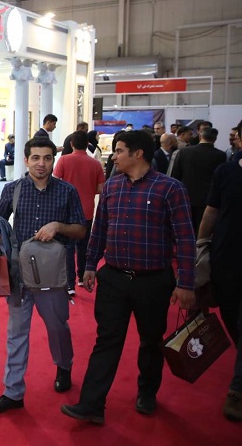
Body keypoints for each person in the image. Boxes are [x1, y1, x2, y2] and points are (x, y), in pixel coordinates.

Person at [61, 130, 195, 425]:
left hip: (153, 281)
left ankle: (147, 392)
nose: (114, 156)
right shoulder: (112, 186)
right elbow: (99, 228)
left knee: (150, 341)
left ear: (138, 154)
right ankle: (91, 404)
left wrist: (186, 282)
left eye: (119, 150)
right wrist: (89, 264)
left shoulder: (170, 189)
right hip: (114, 278)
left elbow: (186, 238)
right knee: (106, 340)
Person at [0, 137, 86, 415]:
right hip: (19, 275)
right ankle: (13, 392)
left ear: (54, 160)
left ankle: (64, 365)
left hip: (52, 276)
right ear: (26, 160)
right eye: (36, 158)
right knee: (16, 334)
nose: (41, 164)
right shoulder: (13, 189)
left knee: (57, 328)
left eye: (47, 158)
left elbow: (80, 230)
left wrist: (58, 227)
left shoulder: (67, 191)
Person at [198, 119, 242, 421]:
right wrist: (200, 245)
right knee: (229, 315)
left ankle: (237, 390)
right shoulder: (225, 171)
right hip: (226, 256)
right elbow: (211, 211)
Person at [54, 131, 104, 295]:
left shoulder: (64, 160)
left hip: (67, 210)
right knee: (83, 245)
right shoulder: (95, 164)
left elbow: (55, 183)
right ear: (87, 144)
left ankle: (70, 285)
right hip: (87, 209)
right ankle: (82, 276)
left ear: (71, 144)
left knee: (68, 247)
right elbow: (100, 189)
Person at [169, 126, 227, 232]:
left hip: (186, 197)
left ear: (200, 136)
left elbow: (175, 176)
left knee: (185, 229)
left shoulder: (184, 152)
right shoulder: (220, 155)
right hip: (208, 200)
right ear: (215, 139)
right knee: (204, 231)